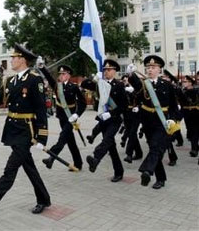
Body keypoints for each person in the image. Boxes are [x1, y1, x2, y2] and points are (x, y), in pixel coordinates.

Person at [0, 43, 51, 225]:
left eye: (14, 57)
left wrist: (42, 137)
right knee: (29, 167)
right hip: (13, 130)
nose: (11, 60)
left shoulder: (34, 80)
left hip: (26, 132)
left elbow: (41, 110)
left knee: (9, 172)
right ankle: (44, 198)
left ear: (22, 60)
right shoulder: (11, 81)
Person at [127, 55, 179, 189]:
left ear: (159, 70)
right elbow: (136, 84)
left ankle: (146, 171)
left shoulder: (167, 85)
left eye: (153, 67)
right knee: (153, 150)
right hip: (148, 122)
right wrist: (131, 74)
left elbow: (174, 105)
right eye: (148, 67)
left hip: (163, 122)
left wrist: (173, 119)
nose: (150, 70)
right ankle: (160, 178)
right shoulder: (144, 84)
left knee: (156, 148)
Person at [81, 59, 128, 183]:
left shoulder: (119, 85)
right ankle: (119, 172)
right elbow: (84, 84)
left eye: (109, 69)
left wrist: (111, 113)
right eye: (105, 69)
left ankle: (95, 158)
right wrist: (94, 78)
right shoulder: (99, 84)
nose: (106, 71)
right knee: (111, 147)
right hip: (103, 120)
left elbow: (123, 106)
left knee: (107, 139)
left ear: (114, 71)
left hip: (114, 119)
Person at [36, 58, 86, 171]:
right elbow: (49, 77)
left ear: (68, 75)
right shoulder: (57, 86)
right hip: (61, 117)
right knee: (70, 141)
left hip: (70, 118)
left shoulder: (74, 87)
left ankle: (51, 157)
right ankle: (78, 163)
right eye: (60, 74)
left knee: (63, 137)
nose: (61, 76)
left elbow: (82, 103)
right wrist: (42, 67)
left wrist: (77, 115)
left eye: (63, 74)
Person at [179, 75, 199, 160]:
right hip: (187, 113)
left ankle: (194, 149)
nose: (183, 83)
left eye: (185, 82)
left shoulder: (196, 91)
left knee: (195, 131)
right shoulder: (183, 92)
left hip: (196, 113)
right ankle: (195, 147)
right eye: (183, 82)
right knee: (190, 131)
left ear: (190, 83)